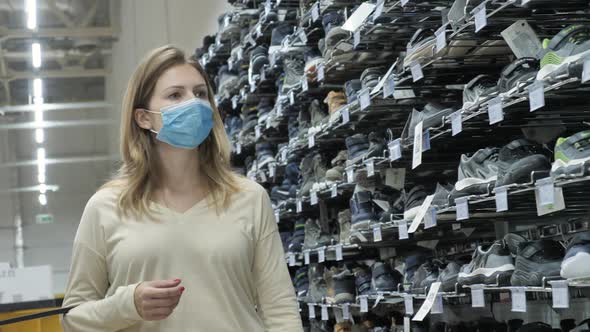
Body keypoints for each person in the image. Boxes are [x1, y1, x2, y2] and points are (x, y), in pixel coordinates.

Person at [60, 45, 303, 332]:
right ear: (143, 118)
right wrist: (127, 305)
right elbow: (72, 318)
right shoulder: (106, 207)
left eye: (200, 94)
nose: (194, 103)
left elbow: (280, 309)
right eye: (176, 95)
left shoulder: (249, 197)